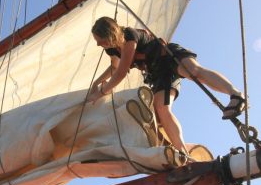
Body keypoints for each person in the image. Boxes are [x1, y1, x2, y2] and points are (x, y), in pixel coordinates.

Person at [87, 16, 245, 154]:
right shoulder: (112, 50)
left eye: (100, 40)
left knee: (193, 71)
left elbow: (121, 72)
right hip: (157, 72)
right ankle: (182, 151)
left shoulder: (130, 36)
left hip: (169, 56)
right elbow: (115, 68)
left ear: (110, 34)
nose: (98, 44)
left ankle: (236, 95)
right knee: (161, 108)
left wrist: (100, 92)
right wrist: (97, 81)